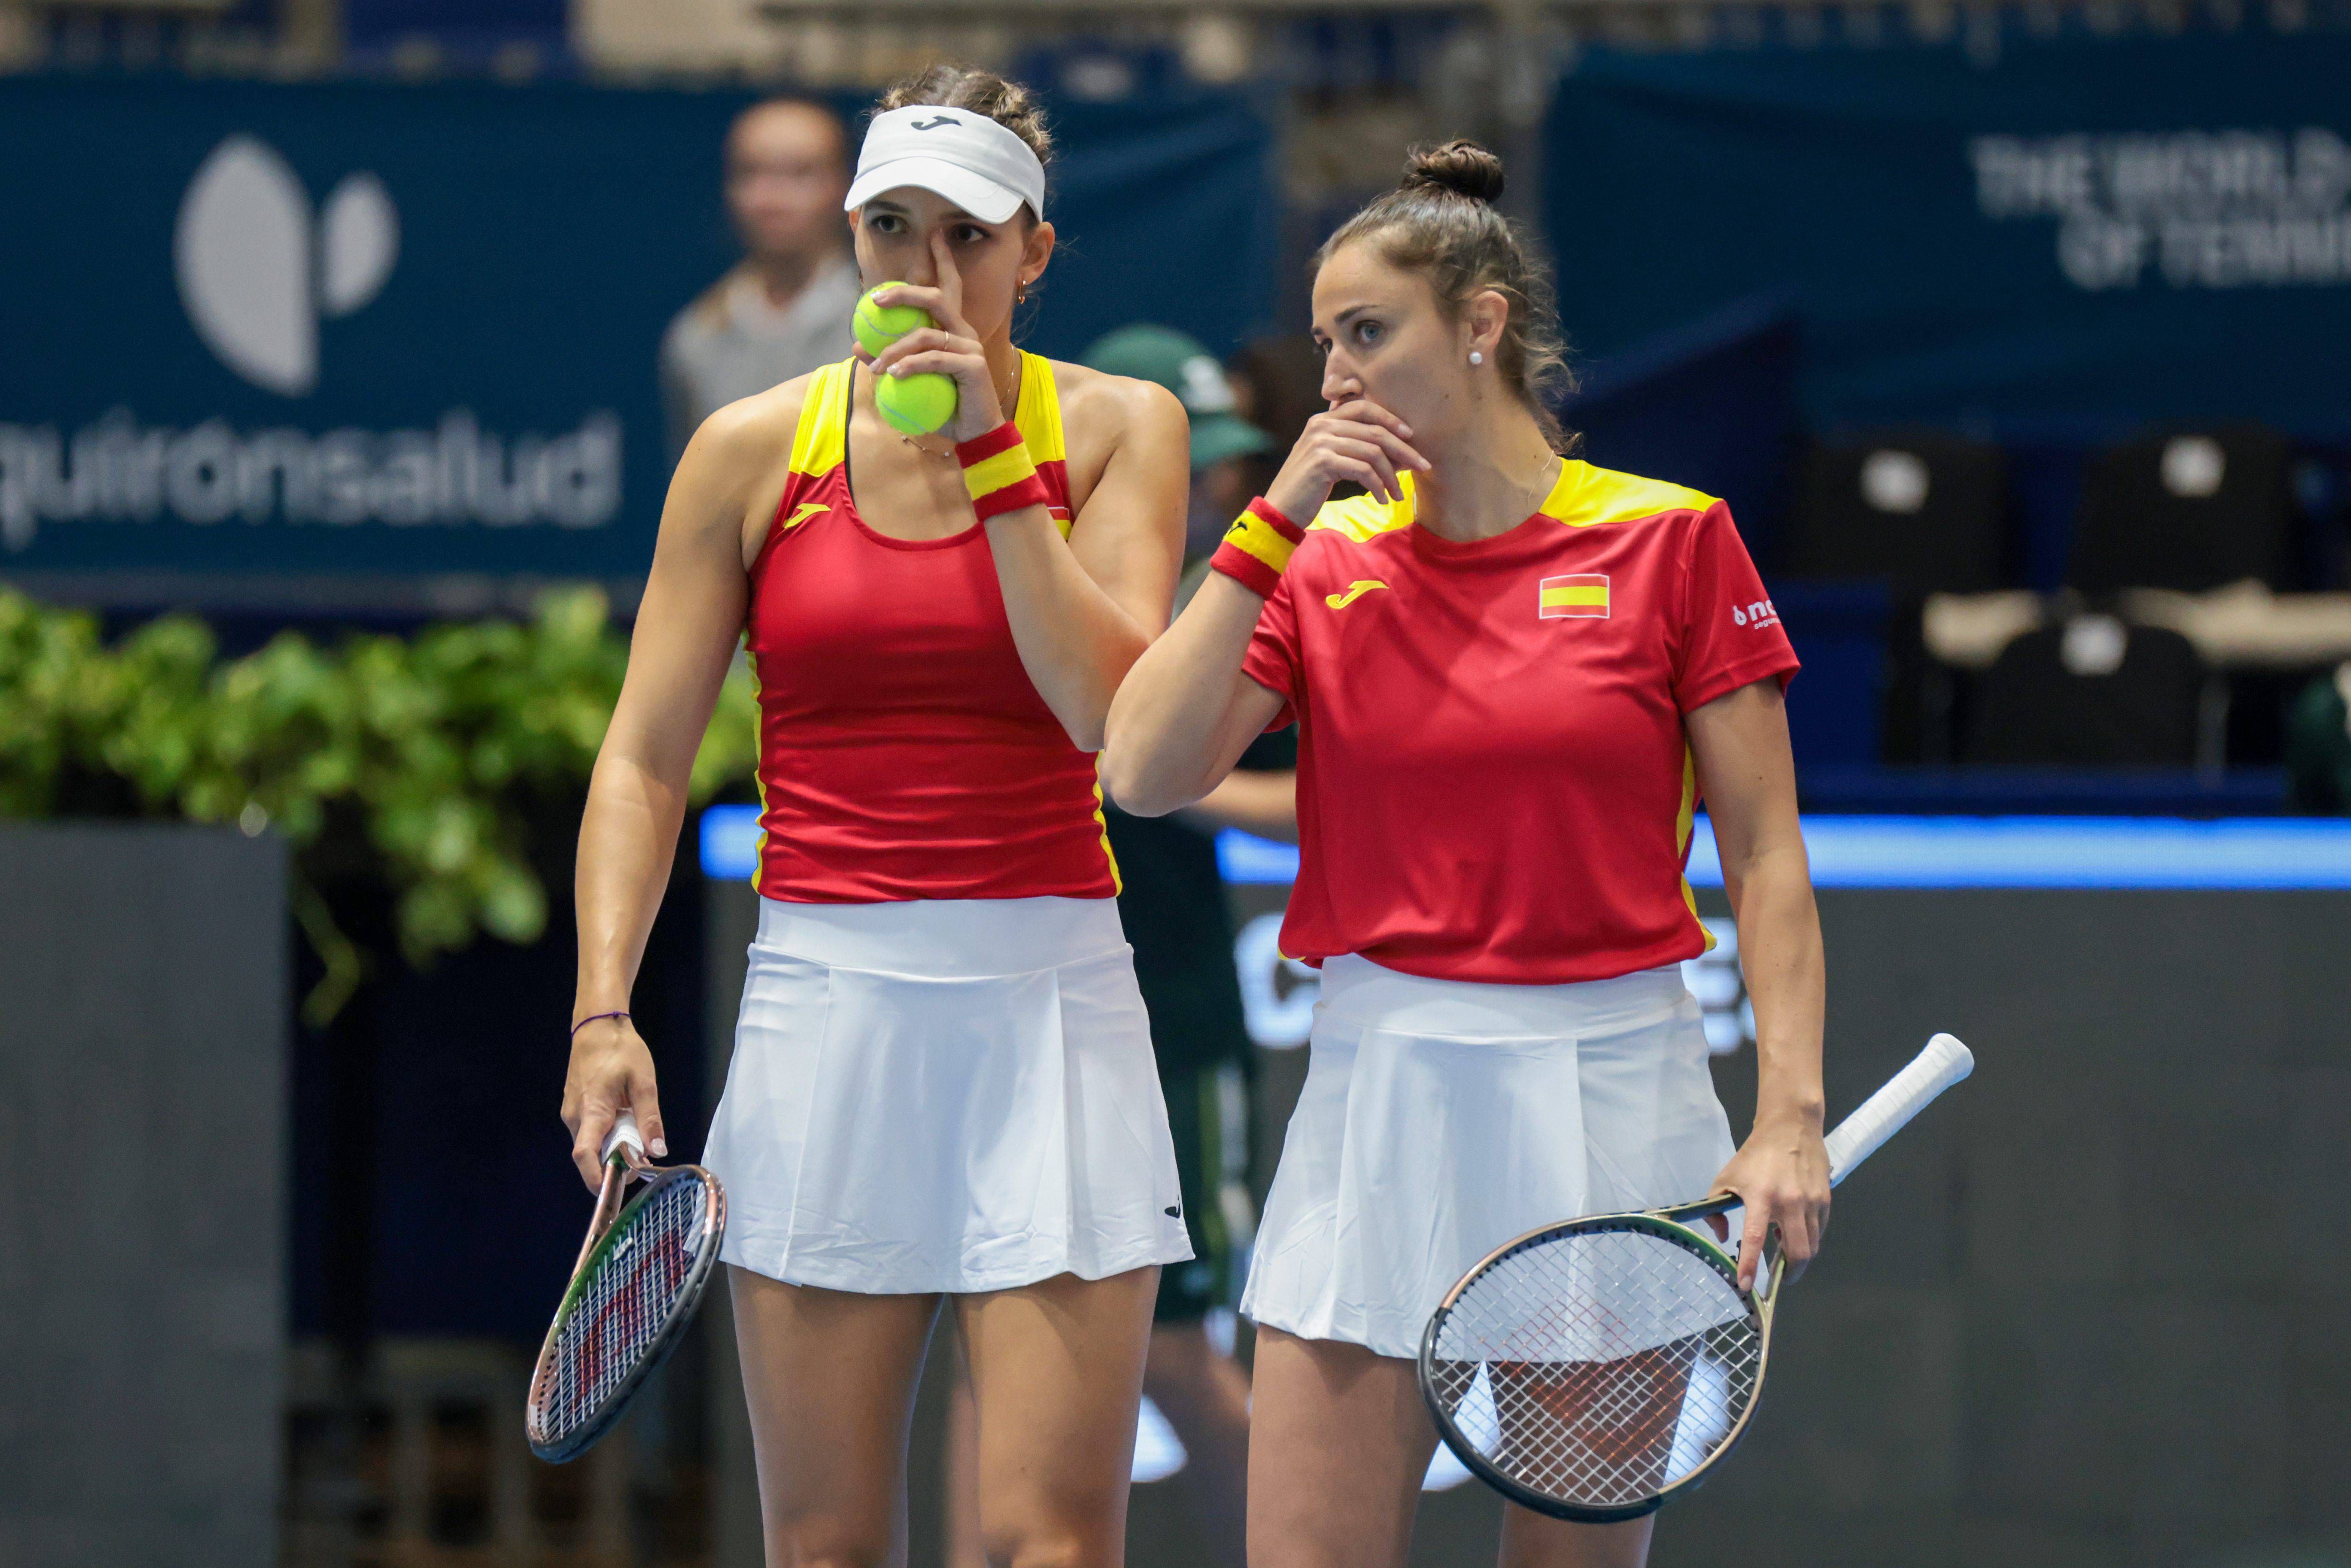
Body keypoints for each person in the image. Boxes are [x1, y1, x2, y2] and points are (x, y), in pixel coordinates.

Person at [1100, 140, 1831, 1568]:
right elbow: (1139, 768)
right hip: (1378, 1087)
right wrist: (1271, 518)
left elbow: (1764, 854)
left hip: (1613, 1092)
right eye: (1322, 343)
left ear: (1479, 324)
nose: (1333, 377)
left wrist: (1787, 1110)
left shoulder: (1673, 541)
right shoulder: (1319, 562)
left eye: (1366, 332)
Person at [567, 66, 1193, 1568]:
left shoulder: (1119, 428)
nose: (920, 269)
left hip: (1050, 1005)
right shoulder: (746, 448)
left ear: (1032, 253)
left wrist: (991, 456)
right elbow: (645, 758)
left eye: (963, 236)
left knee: (1045, 1540)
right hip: (824, 1003)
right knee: (828, 1546)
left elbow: (1111, 717)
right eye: (889, 226)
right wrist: (603, 1010)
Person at [940, 324, 1294, 1568]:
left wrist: (1157, 767)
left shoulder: (1255, 604)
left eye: (1224, 464)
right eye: (1200, 462)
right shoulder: (1025, 576)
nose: (1213, 488)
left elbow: (1324, 803)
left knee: (1179, 1353)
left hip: (1173, 1020)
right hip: (1012, 1010)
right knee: (990, 1329)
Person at [660, 96, 864, 461]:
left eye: (799, 173)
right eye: (752, 173)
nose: (772, 199)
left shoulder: (888, 328)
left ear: (845, 186)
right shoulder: (696, 337)